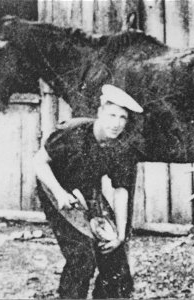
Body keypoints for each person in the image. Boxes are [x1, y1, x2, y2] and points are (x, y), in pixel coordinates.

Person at [33, 84, 143, 299]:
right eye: (112, 115)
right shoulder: (73, 131)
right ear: (100, 112)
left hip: (87, 192)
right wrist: (59, 193)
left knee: (114, 252)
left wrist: (120, 234)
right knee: (82, 255)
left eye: (123, 118)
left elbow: (121, 189)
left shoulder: (121, 148)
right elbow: (39, 162)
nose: (116, 123)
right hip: (54, 187)